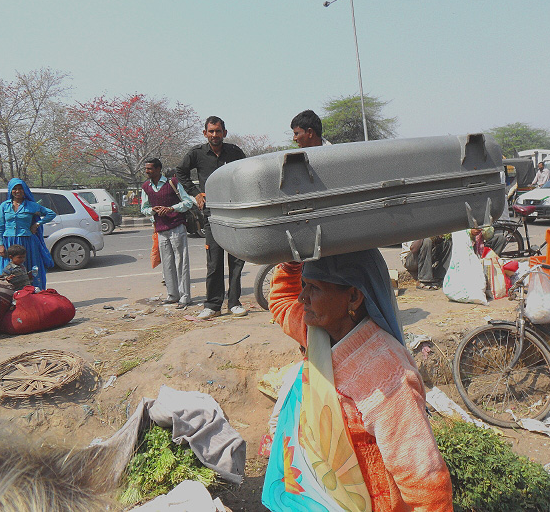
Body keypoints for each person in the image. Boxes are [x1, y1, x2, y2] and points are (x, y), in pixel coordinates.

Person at [262, 250, 453, 511]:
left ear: (353, 296)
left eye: (314, 288)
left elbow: (424, 479)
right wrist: (292, 262)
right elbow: (283, 301)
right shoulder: (318, 334)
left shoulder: (386, 374)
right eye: (304, 285)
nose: (302, 297)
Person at [177, 116, 248, 319]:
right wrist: (196, 193)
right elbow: (180, 172)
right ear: (205, 133)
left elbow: (245, 173)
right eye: (211, 131)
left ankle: (234, 303)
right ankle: (213, 305)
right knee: (214, 261)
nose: (214, 135)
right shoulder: (197, 153)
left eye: (218, 131)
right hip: (211, 215)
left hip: (234, 213)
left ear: (224, 133)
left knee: (236, 260)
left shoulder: (235, 152)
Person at [141, 158, 194, 309]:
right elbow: (144, 209)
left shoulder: (173, 183)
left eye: (150, 169)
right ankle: (172, 295)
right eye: (146, 169)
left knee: (181, 262)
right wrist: (153, 210)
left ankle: (185, 297)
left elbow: (188, 202)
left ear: (158, 169)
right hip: (161, 229)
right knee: (167, 263)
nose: (147, 172)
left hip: (177, 226)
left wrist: (171, 208)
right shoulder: (146, 187)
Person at [0, 178, 55, 289]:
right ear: (10, 190)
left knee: (30, 269)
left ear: (25, 190)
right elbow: (0, 226)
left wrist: (37, 224)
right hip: (9, 243)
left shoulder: (31, 205)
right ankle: (12, 298)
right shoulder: (4, 206)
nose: (17, 191)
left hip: (28, 242)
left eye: (20, 189)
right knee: (10, 272)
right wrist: (1, 245)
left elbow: (51, 214)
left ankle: (34, 295)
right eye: (15, 189)